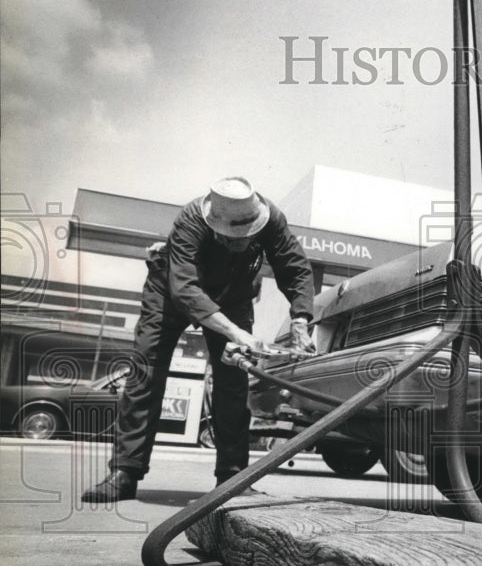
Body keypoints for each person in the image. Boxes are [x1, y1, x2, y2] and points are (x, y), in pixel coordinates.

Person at [82, 177, 316, 502]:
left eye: (246, 238)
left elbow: (297, 269)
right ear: (214, 223)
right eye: (231, 238)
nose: (240, 243)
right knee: (145, 374)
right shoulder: (191, 219)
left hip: (233, 295)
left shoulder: (270, 219)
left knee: (233, 381)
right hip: (168, 292)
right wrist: (236, 332)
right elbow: (185, 290)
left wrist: (302, 320)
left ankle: (232, 477)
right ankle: (125, 472)